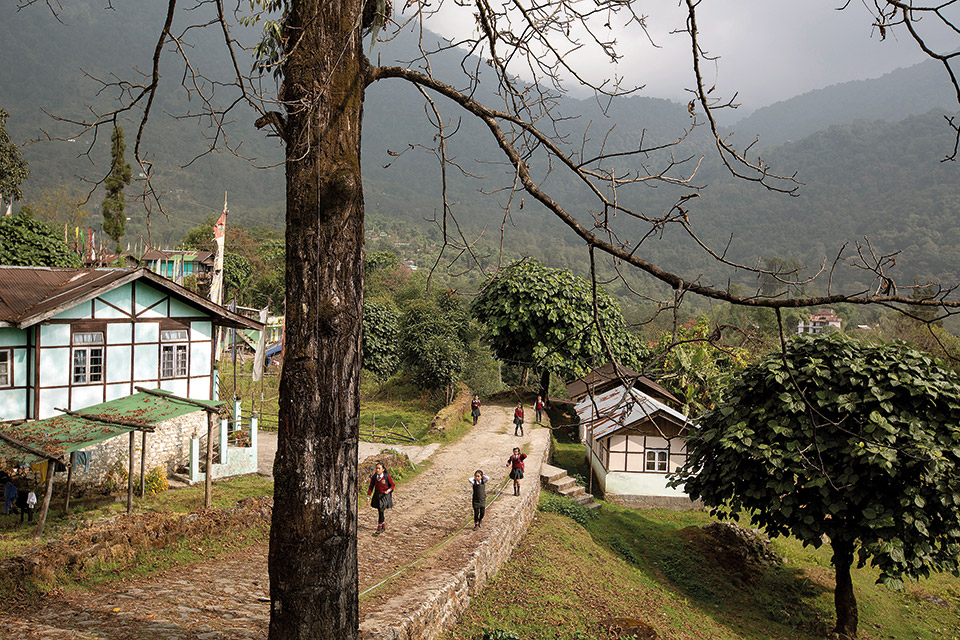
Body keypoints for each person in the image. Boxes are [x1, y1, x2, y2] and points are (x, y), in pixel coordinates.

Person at [367, 462, 395, 535]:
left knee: (381, 510)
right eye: (376, 468)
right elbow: (371, 487)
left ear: (383, 469)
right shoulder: (374, 477)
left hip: (384, 496)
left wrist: (388, 491)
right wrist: (368, 497)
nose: (377, 470)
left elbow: (392, 485)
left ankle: (379, 527)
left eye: (379, 468)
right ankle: (383, 524)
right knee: (380, 510)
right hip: (377, 495)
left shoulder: (386, 476)